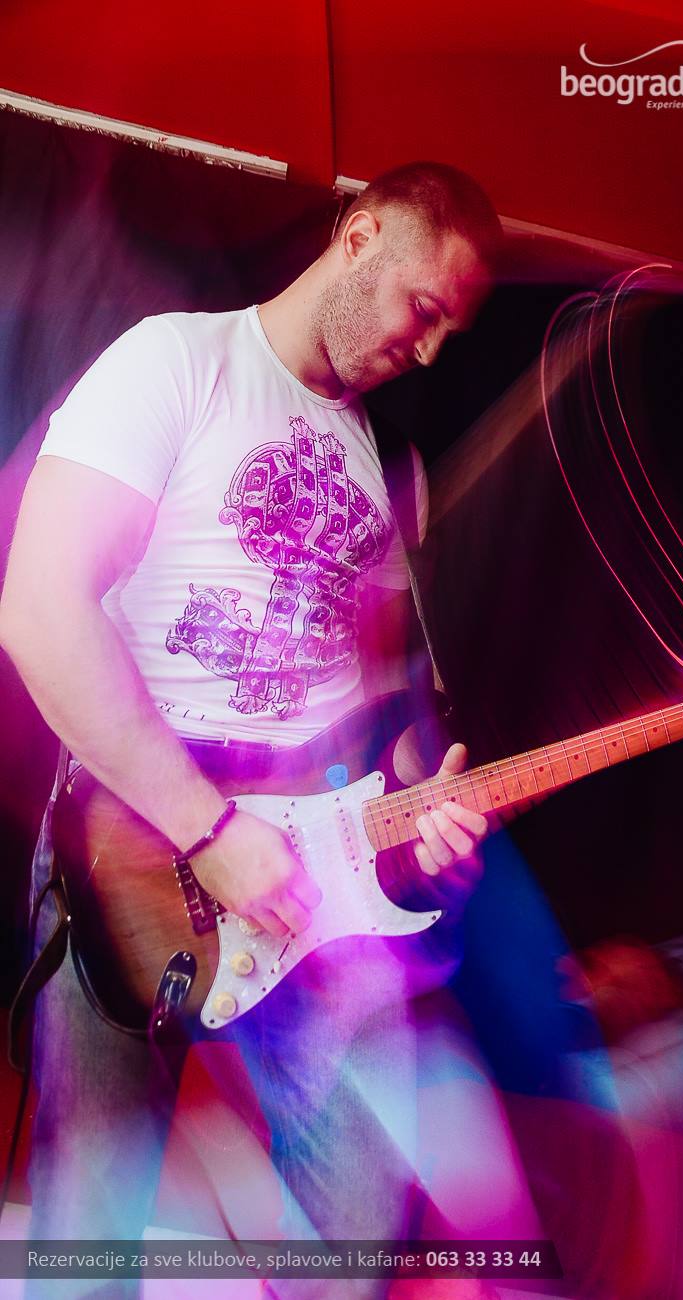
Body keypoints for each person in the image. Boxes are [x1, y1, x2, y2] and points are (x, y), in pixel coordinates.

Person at [0, 162, 518, 1297]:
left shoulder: (389, 467)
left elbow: (382, 702)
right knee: (92, 1235)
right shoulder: (174, 364)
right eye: (424, 309)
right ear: (361, 235)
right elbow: (39, 612)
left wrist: (422, 802)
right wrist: (208, 827)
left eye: (453, 330)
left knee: (357, 1231)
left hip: (314, 870)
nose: (431, 349)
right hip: (135, 844)